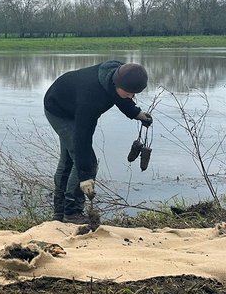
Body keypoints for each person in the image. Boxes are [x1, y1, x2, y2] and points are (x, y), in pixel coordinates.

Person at [43, 60, 152, 224]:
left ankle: (59, 214)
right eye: (130, 93)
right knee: (85, 161)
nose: (132, 97)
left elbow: (119, 96)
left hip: (72, 103)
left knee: (69, 160)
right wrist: (85, 177)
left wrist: (136, 113)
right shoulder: (91, 99)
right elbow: (83, 139)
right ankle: (71, 213)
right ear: (117, 83)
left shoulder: (120, 73)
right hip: (58, 110)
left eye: (134, 93)